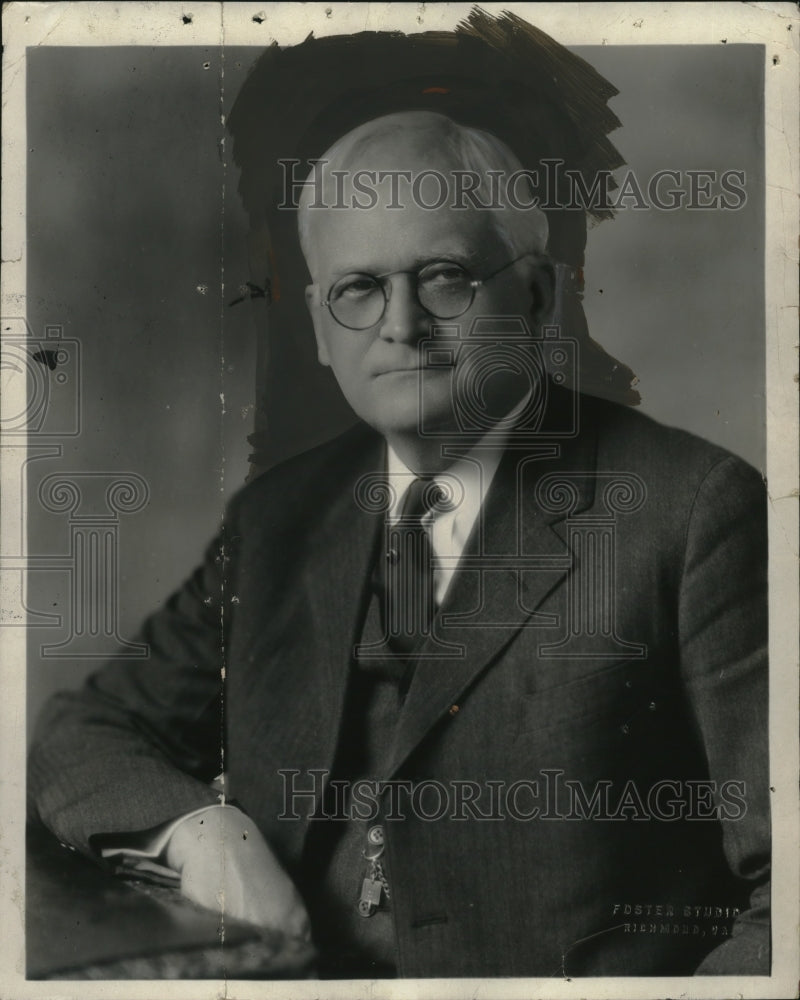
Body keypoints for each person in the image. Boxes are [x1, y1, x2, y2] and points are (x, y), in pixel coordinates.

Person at [28, 107, 769, 979]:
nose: (402, 324)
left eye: (446, 278)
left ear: (537, 295)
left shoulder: (694, 511)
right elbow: (86, 731)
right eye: (358, 288)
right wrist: (203, 832)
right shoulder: (278, 518)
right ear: (319, 324)